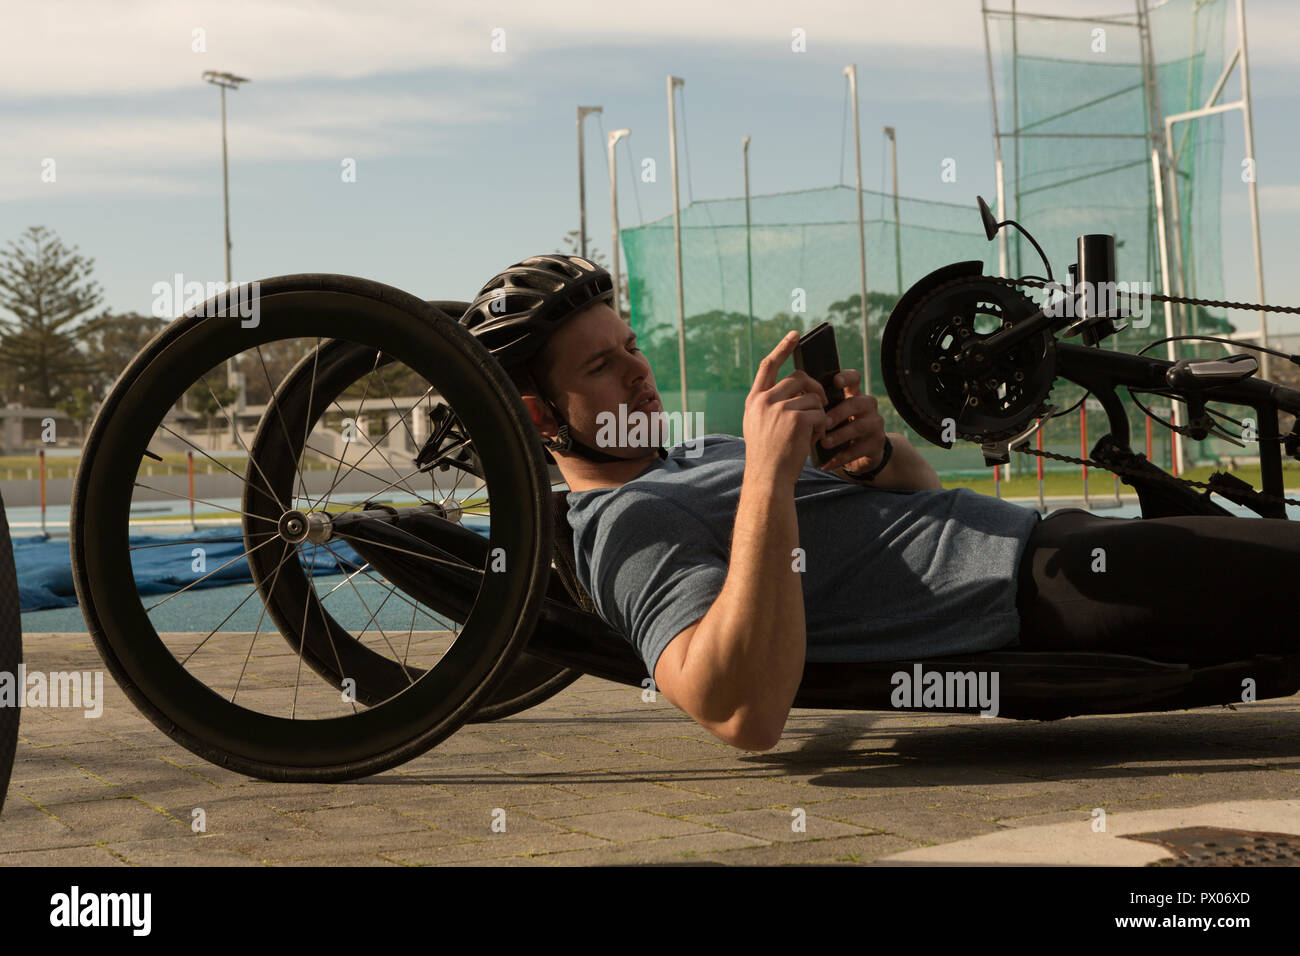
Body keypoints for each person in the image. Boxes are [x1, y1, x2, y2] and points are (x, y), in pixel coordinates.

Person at [461, 255, 1300, 750]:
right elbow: (738, 708)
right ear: (539, 416)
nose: (639, 372)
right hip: (1046, 593)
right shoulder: (621, 526)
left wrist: (871, 458)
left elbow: (922, 513)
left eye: (631, 346)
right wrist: (765, 474)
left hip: (1054, 552)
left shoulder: (689, 456)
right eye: (600, 367)